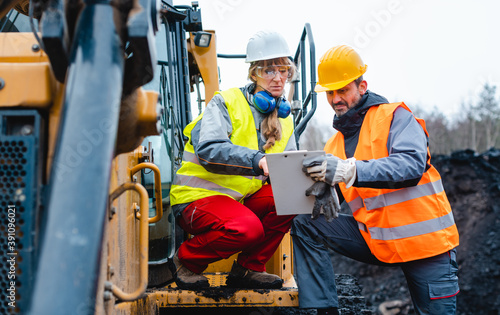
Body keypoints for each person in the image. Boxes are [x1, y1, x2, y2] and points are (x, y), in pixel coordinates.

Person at [290, 45, 460, 315]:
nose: (336, 99)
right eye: (330, 93)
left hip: (426, 246)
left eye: (342, 90)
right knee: (304, 224)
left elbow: (410, 166)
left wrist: (349, 171)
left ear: (362, 85)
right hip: (377, 242)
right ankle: (323, 310)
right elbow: (335, 191)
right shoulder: (333, 145)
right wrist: (323, 192)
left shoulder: (395, 117)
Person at [169, 30, 297, 290]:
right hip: (195, 200)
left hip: (235, 203)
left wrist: (317, 182)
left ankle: (248, 269)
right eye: (269, 70)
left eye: (283, 70)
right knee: (248, 228)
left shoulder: (285, 119)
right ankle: (186, 261)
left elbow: (290, 169)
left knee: (290, 196)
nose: (277, 77)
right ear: (254, 74)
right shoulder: (225, 103)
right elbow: (208, 149)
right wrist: (257, 159)